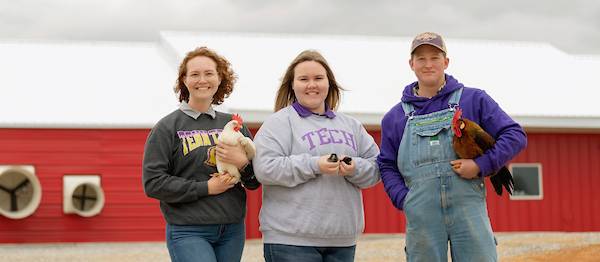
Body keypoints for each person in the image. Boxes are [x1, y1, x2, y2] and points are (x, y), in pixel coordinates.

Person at [377, 32, 527, 261]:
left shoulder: (474, 99)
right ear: (411, 64)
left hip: (468, 211)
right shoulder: (395, 117)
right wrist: (403, 199)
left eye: (435, 57)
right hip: (421, 213)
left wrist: (480, 165)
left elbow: (515, 135)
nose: (428, 64)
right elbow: (387, 164)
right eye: (421, 59)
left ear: (446, 62)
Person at [252, 50, 381, 262]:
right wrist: (314, 165)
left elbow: (376, 167)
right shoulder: (279, 123)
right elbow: (265, 168)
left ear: (329, 83)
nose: (312, 84)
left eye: (318, 78)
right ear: (292, 85)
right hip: (290, 241)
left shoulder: (351, 126)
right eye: (304, 79)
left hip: (342, 239)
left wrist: (354, 168)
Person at [142, 46, 260, 262]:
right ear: (184, 81)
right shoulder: (167, 127)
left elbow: (254, 182)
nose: (202, 80)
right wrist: (206, 188)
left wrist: (242, 163)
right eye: (194, 74)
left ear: (219, 78)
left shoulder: (233, 125)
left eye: (209, 73)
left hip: (232, 229)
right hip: (188, 230)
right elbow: (153, 183)